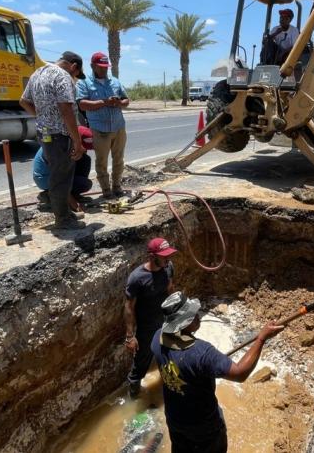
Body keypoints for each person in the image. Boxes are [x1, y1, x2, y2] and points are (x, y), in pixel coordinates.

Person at [151, 292, 283, 452]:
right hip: (204, 426)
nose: (198, 316)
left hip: (175, 418)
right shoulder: (201, 353)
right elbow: (240, 373)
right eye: (192, 315)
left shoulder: (157, 338)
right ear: (183, 324)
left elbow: (184, 365)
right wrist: (261, 339)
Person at [20, 51, 86, 229]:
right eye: (76, 74)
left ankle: (64, 214)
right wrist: (77, 141)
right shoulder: (62, 76)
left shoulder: (37, 73)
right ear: (73, 66)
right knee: (61, 178)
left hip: (45, 133)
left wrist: (42, 117)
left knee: (58, 175)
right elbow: (66, 109)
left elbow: (24, 101)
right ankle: (63, 220)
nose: (75, 78)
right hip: (60, 136)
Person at [124, 237, 177, 399]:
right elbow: (128, 307)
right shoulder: (137, 278)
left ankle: (170, 390)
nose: (168, 259)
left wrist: (177, 315)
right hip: (146, 329)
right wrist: (130, 336)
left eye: (169, 255)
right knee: (140, 365)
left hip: (165, 323)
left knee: (169, 358)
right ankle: (134, 399)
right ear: (153, 256)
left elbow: (170, 289)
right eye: (164, 256)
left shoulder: (168, 268)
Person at [77, 52, 130, 199]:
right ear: (93, 66)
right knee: (102, 161)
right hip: (100, 130)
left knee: (119, 159)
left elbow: (126, 100)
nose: (104, 70)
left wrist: (119, 102)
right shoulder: (84, 83)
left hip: (118, 127)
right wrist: (104, 102)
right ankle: (106, 190)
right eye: (101, 67)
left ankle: (117, 186)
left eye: (106, 67)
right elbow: (82, 104)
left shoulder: (115, 81)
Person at [34, 125, 94, 212]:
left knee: (84, 160)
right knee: (84, 184)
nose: (85, 150)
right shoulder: (62, 148)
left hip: (52, 175)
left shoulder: (67, 143)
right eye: (83, 148)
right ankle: (51, 196)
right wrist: (75, 205)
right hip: (45, 179)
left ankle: (70, 195)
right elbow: (60, 179)